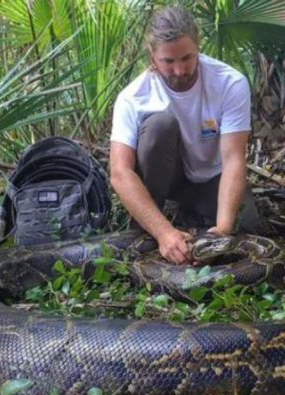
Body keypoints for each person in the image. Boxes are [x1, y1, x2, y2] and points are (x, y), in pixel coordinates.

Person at [109, 6, 262, 265]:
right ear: (152, 56)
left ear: (198, 46)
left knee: (248, 227)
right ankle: (148, 226)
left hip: (211, 178)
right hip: (168, 180)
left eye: (187, 58)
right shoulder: (132, 97)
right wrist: (163, 233)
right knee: (159, 126)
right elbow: (120, 173)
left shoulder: (230, 83)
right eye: (168, 62)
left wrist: (222, 231)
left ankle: (192, 215)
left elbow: (234, 160)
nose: (179, 70)